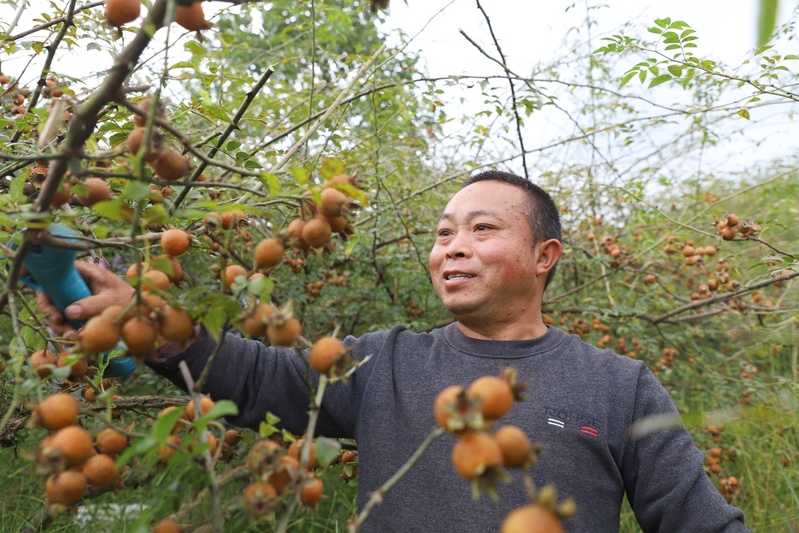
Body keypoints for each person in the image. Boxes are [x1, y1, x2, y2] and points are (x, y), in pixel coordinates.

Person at [40, 171, 748, 532]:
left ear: (544, 256)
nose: (453, 247)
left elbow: (699, 522)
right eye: (443, 234)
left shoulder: (617, 383)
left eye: (480, 228)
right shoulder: (385, 360)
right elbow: (262, 379)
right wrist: (162, 325)